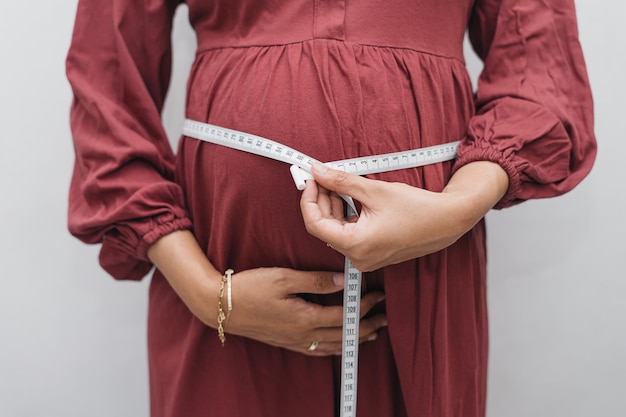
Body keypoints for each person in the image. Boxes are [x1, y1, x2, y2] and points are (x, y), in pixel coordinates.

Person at [65, 0, 596, 416]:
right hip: (218, 282)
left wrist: (456, 209)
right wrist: (209, 296)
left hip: (419, 280)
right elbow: (107, 93)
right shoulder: (212, 297)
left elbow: (539, 69)